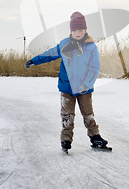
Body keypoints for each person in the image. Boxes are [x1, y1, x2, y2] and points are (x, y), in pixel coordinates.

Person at [25, 11, 108, 152]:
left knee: (88, 114)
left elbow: (95, 68)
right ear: (71, 31)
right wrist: (34, 60)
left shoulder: (91, 47)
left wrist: (86, 84)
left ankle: (95, 137)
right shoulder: (64, 44)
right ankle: (66, 139)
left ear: (85, 30)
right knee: (67, 115)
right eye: (75, 30)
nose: (77, 32)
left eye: (80, 30)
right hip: (67, 87)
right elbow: (49, 54)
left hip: (84, 89)